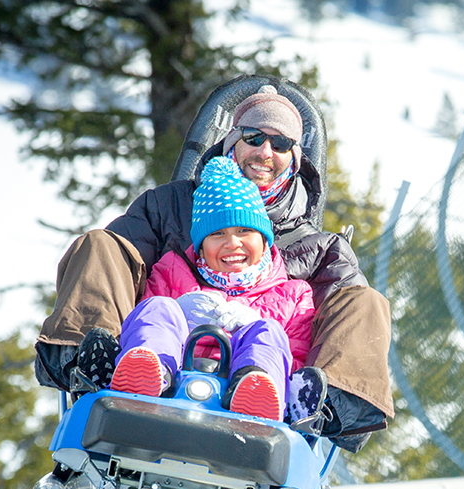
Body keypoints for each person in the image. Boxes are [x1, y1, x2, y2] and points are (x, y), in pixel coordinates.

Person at [36, 83, 392, 451]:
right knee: (101, 246)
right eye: (253, 137)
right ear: (231, 142)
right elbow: (131, 276)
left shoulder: (322, 251)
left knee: (364, 302)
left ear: (296, 157)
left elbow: (318, 326)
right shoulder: (169, 206)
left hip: (267, 369)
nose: (265, 151)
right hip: (166, 345)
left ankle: (318, 407)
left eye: (281, 143)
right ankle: (97, 367)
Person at [112, 156, 325, 425]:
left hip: (239, 400)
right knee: (158, 309)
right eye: (217, 234)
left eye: (245, 230)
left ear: (264, 239)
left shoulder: (294, 295)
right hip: (172, 388)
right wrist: (182, 314)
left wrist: (249, 327)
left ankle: (255, 390)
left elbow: (295, 360)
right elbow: (142, 323)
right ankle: (147, 375)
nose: (232, 243)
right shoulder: (172, 271)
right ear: (201, 247)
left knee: (269, 332)